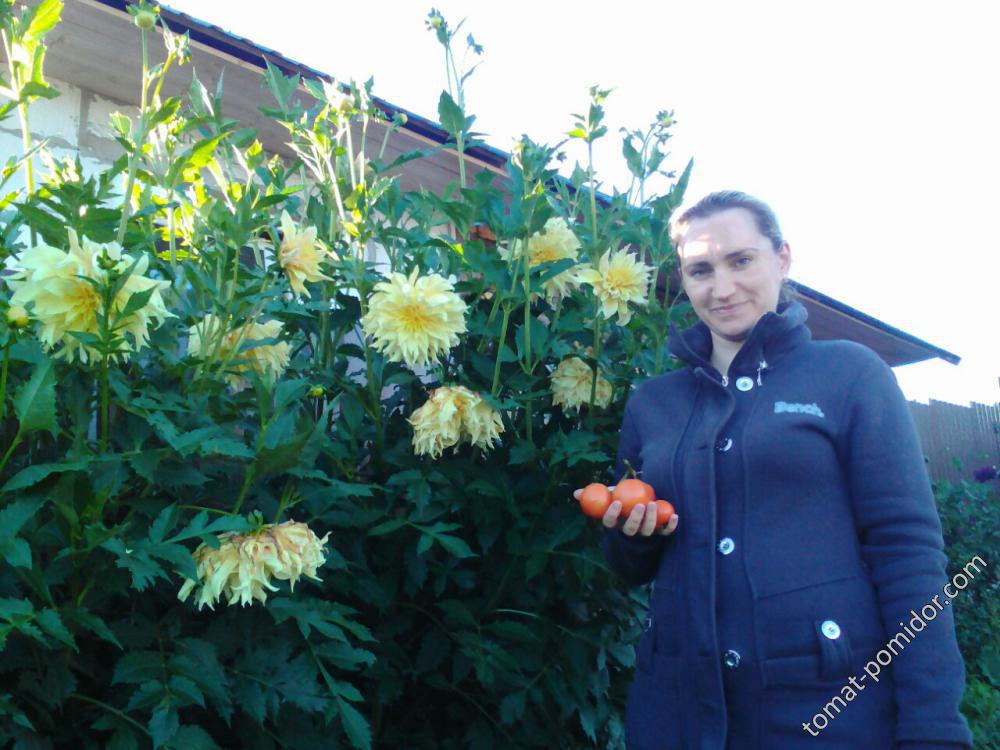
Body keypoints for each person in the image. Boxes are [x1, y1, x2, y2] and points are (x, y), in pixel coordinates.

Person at [575, 191, 974, 750]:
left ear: (782, 258)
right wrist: (631, 537)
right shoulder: (654, 402)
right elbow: (630, 566)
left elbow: (907, 551)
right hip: (676, 712)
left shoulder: (849, 374)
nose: (722, 287)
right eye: (701, 270)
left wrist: (934, 727)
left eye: (742, 260)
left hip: (827, 711)